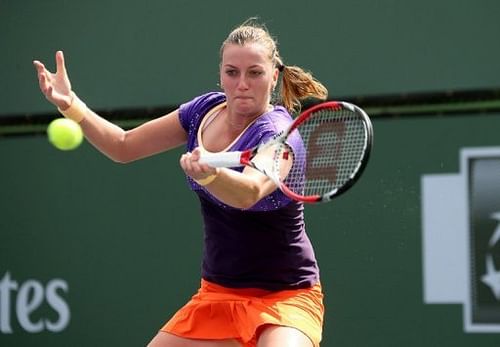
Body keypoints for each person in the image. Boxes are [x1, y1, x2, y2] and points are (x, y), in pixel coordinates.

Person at [34, 19, 328, 347]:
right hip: (217, 294)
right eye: (232, 72)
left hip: (285, 298)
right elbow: (123, 146)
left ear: (274, 76)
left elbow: (249, 192)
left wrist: (210, 175)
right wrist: (71, 105)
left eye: (255, 73)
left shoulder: (279, 135)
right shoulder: (202, 111)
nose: (242, 83)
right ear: (221, 74)